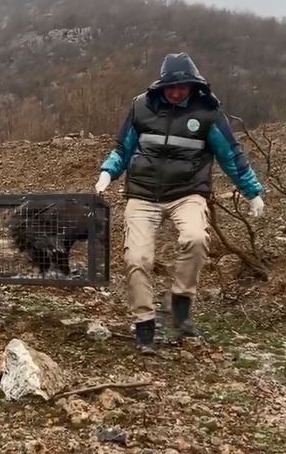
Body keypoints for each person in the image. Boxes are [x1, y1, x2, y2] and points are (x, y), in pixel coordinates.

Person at [95, 53, 266, 354]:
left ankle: (181, 303)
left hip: (187, 192)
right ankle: (145, 322)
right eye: (171, 87)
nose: (176, 92)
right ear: (161, 86)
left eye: (182, 86)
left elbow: (231, 155)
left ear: (193, 85)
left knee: (196, 238)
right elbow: (122, 147)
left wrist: (252, 191)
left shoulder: (208, 112)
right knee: (137, 259)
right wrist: (107, 173)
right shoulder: (141, 107)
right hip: (143, 193)